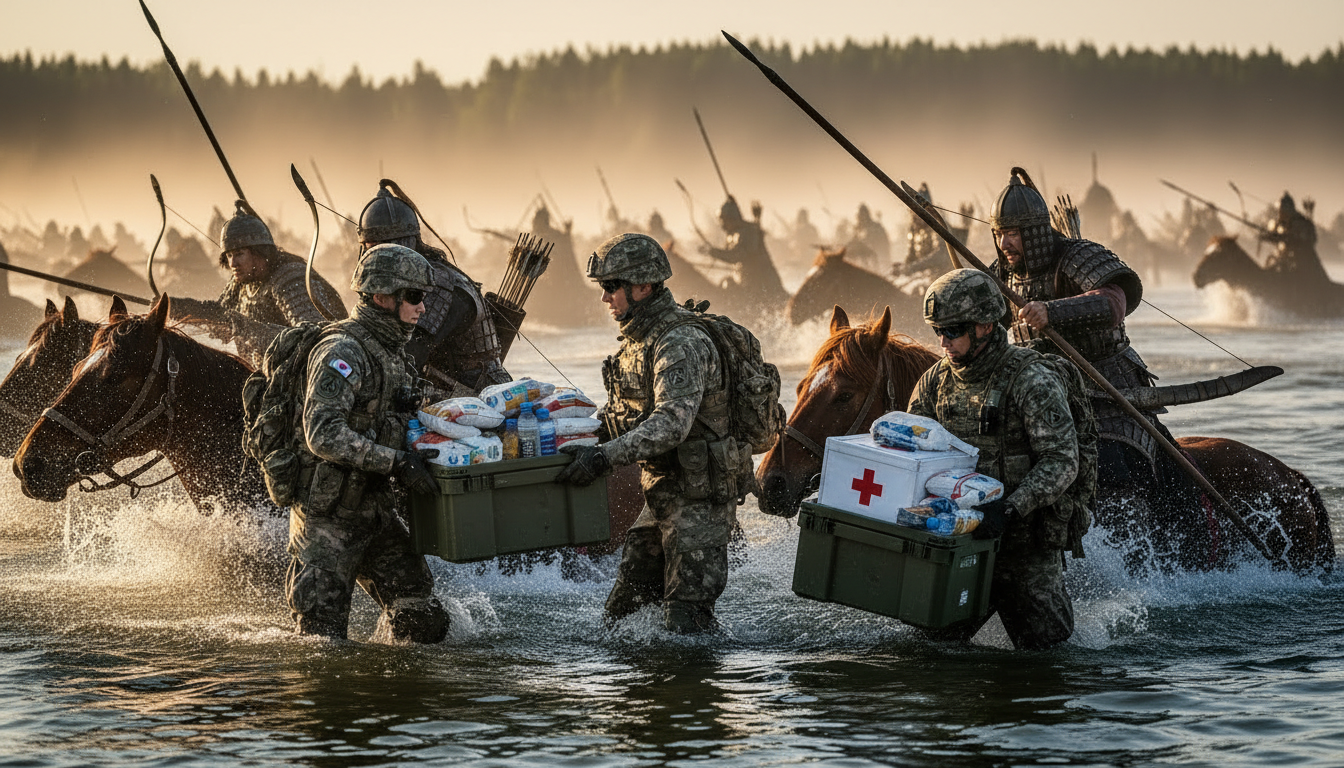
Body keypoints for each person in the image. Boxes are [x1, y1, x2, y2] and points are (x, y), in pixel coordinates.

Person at [555, 233, 749, 633]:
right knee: (623, 615)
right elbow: (623, 418)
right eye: (603, 287)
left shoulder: (678, 342)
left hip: (699, 500)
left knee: (686, 623)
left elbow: (670, 425)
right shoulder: (638, 342)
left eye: (612, 287)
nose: (605, 298)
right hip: (662, 494)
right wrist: (565, 437)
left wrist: (603, 457)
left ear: (642, 286)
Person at [988, 168, 1186, 520]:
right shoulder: (1002, 273)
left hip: (1105, 389)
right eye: (1001, 233)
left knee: (1112, 473)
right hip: (1041, 392)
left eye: (1014, 233)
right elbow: (986, 328)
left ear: (1033, 232)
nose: (1005, 244)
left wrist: (1053, 312)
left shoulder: (1074, 255)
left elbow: (1113, 302)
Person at [907, 268, 1079, 650]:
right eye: (938, 331)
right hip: (960, 543)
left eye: (952, 331)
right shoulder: (934, 383)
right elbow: (913, 457)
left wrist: (1011, 509)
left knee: (1047, 658)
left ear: (985, 326)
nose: (943, 341)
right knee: (933, 650)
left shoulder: (1030, 378)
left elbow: (1062, 460)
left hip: (1024, 546)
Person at [285, 243, 449, 642]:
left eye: (423, 298)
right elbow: (323, 434)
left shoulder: (391, 352)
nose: (422, 308)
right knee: (322, 643)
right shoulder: (343, 351)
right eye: (413, 297)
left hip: (374, 511)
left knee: (424, 622)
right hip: (328, 521)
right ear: (381, 296)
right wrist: (397, 463)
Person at [357, 185, 509, 398]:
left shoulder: (436, 284)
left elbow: (409, 355)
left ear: (400, 245)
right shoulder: (411, 280)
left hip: (479, 396)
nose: (372, 256)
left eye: (379, 248)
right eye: (368, 248)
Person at [170, 201, 347, 367]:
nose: (232, 264)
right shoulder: (241, 281)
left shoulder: (289, 279)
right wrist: (174, 307)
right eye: (229, 255)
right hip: (265, 377)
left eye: (239, 254)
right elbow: (222, 314)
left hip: (308, 375)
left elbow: (312, 336)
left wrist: (248, 329)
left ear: (259, 252)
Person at [699, 196, 788, 310]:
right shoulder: (733, 234)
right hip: (745, 284)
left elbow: (736, 255)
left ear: (732, 218)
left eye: (725, 220)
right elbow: (729, 253)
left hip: (761, 285)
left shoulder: (749, 232)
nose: (722, 224)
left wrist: (712, 251)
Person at [1261, 191, 1328, 281]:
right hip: (1291, 262)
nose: (1280, 213)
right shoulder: (1284, 221)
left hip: (1304, 265)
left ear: (1288, 210)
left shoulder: (1298, 222)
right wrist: (1268, 236)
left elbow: (1292, 240)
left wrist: (1276, 237)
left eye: (1282, 210)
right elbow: (1277, 235)